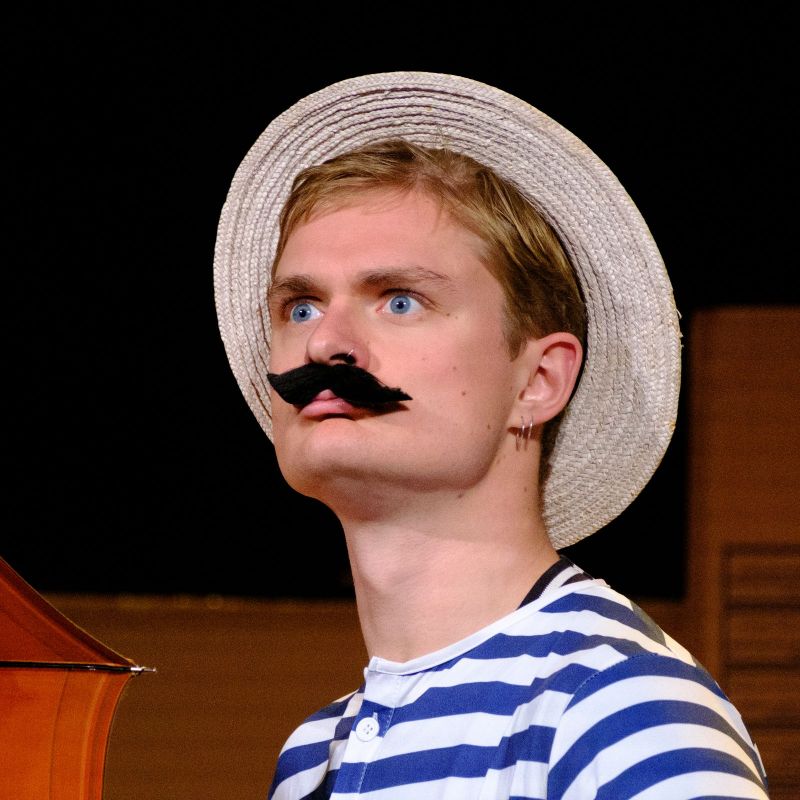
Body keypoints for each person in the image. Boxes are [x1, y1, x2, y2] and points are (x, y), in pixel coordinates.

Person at [214, 73, 769, 799]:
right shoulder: (309, 759)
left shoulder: (622, 713)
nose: (327, 345)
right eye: (301, 307)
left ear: (537, 381)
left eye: (400, 301)